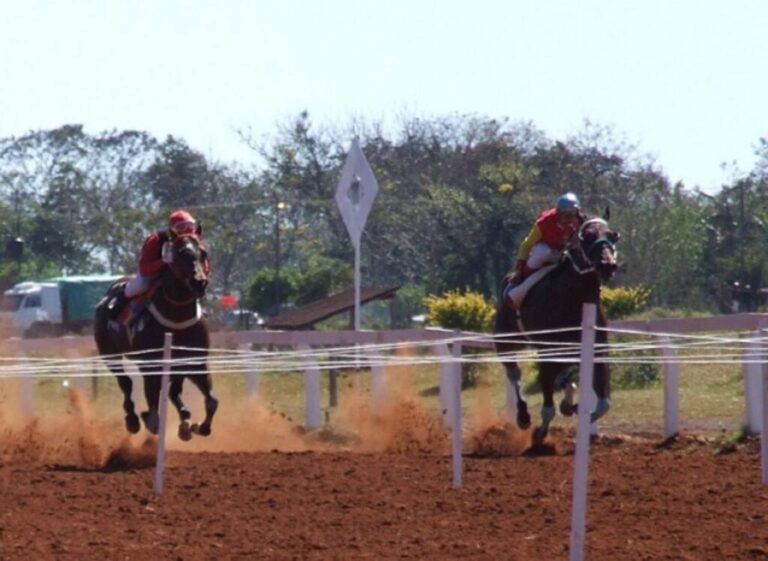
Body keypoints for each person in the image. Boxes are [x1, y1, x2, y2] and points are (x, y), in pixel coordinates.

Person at [108, 209, 200, 319]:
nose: (187, 231)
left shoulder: (194, 242)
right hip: (156, 273)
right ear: (171, 229)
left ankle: (198, 312)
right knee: (141, 285)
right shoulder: (155, 239)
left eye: (190, 226)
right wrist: (163, 262)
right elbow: (144, 269)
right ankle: (119, 299)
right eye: (181, 227)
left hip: (180, 274)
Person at [511, 192, 585, 283]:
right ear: (558, 213)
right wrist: (519, 268)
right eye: (565, 215)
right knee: (542, 251)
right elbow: (527, 245)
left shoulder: (581, 222)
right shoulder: (544, 222)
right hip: (545, 252)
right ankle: (520, 285)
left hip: (565, 254)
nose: (569, 219)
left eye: (572, 215)